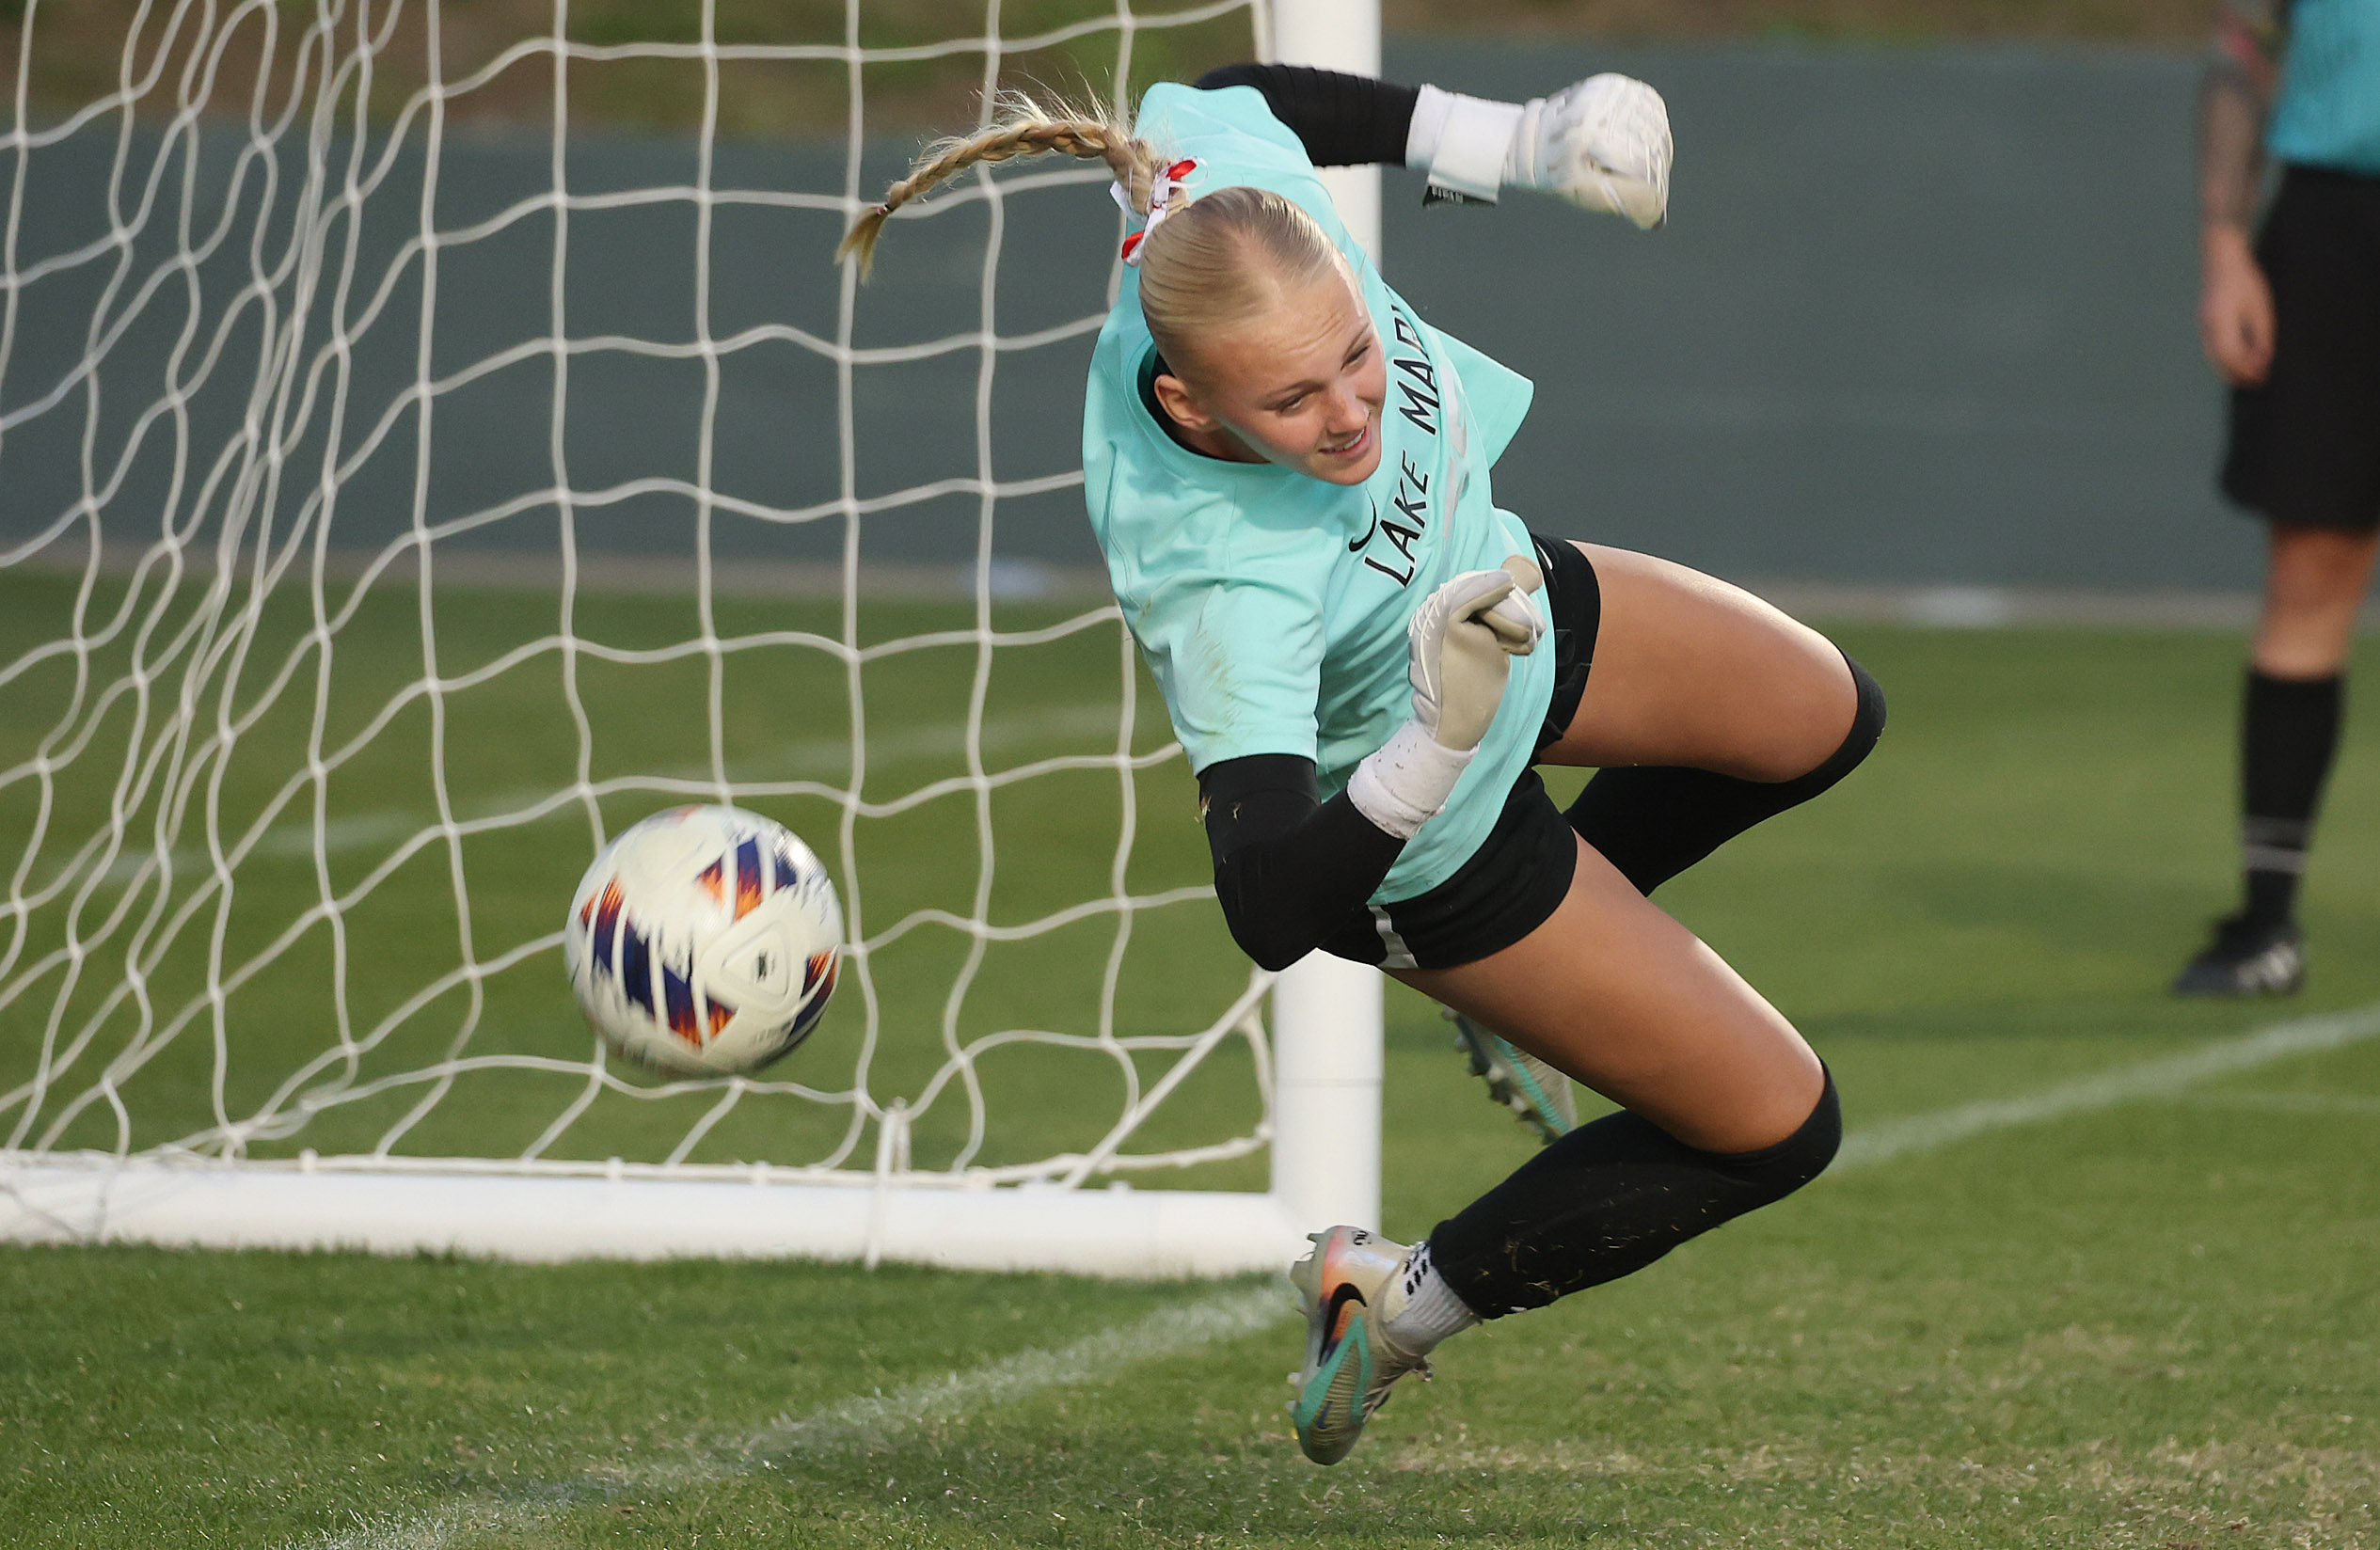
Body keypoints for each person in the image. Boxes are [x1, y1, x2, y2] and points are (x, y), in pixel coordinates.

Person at [840, 64, 1884, 1466]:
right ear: (1198, 413)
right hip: (1414, 840)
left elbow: (1224, 90)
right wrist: (1432, 742)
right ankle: (1393, 1304)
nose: (1351, 411)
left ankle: (1543, 978)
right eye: (1291, 401)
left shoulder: (1217, 199)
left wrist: (1512, 139)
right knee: (1779, 1125)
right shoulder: (1221, 573)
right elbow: (1271, 907)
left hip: (1496, 593)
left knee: (1823, 715)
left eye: (1355, 353)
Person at [2179, 0, 2380, 996]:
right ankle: (2265, 925)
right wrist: (2224, 240)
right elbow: (2241, 44)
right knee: (2311, 565)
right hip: (2338, 229)